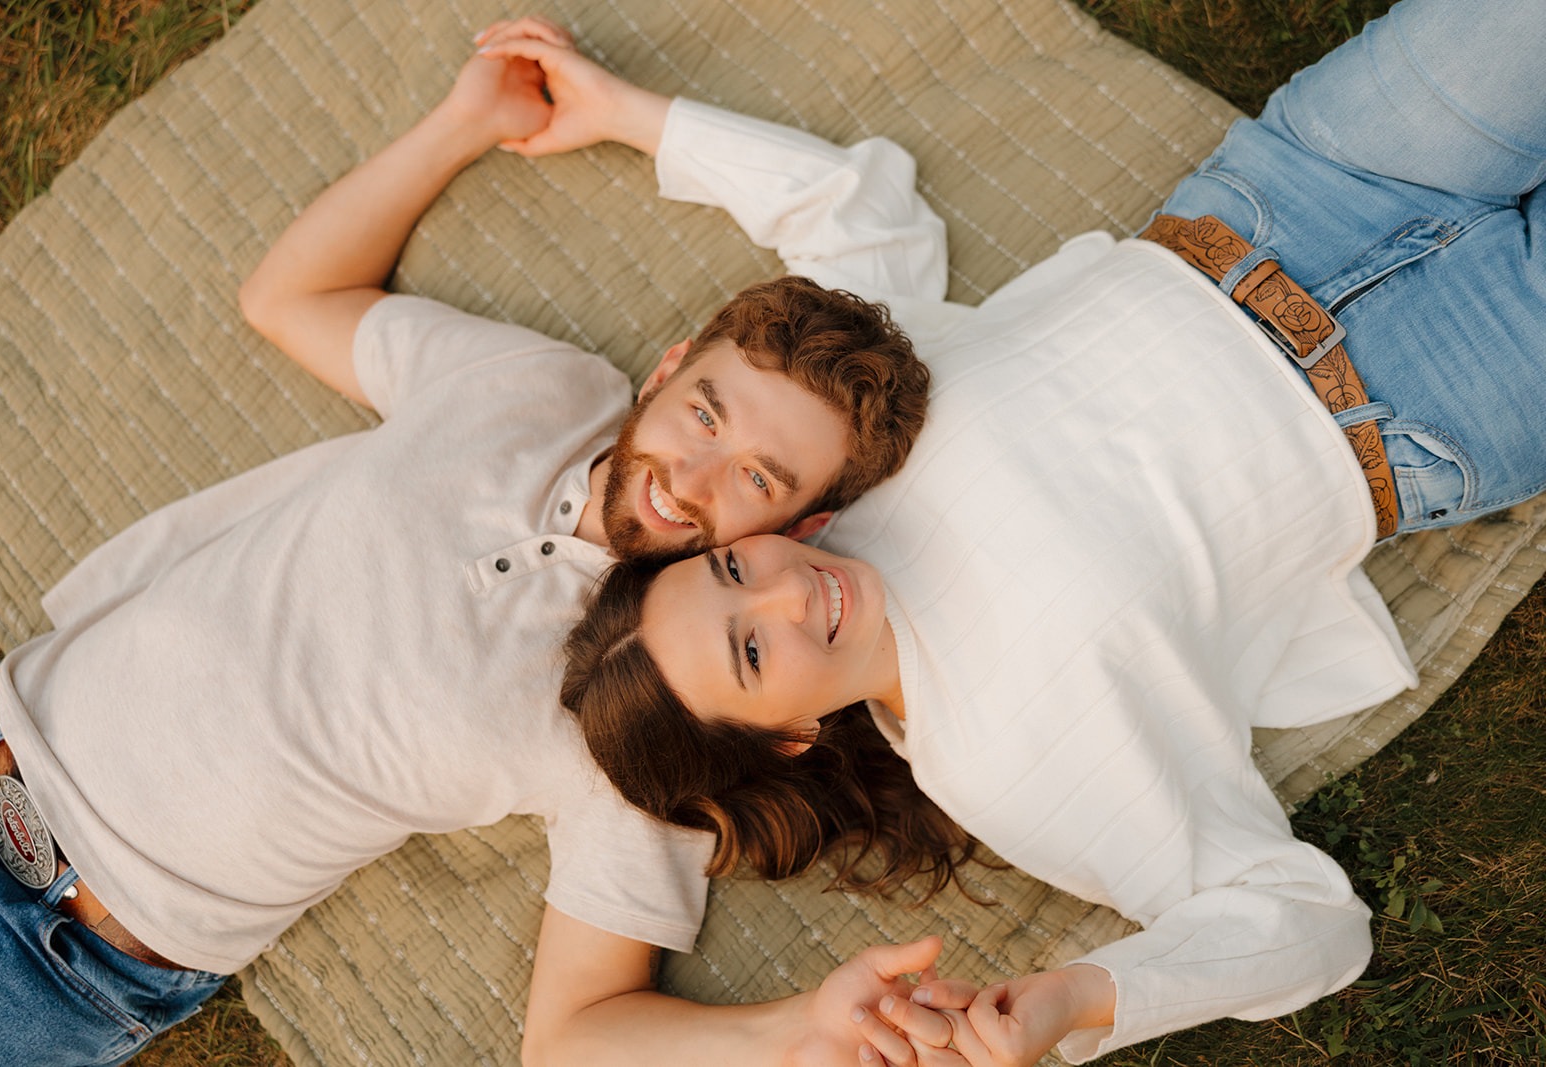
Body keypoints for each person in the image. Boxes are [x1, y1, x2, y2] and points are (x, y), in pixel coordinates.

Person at [559, 1, 1546, 1063]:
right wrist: (1082, 996)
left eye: (734, 567)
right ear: (788, 735)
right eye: (751, 648)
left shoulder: (848, 472)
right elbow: (1302, 915)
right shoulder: (1009, 767)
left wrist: (631, 111)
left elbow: (854, 220)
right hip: (1432, 397)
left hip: (1286, 190)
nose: (791, 588)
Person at [0, 18, 947, 1064]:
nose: (688, 480)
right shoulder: (540, 386)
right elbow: (290, 296)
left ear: (803, 526)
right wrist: (465, 122)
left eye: (755, 479)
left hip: (55, 953)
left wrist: (797, 1026)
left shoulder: (657, 711)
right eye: (704, 414)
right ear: (666, 370)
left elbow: (572, 1038)